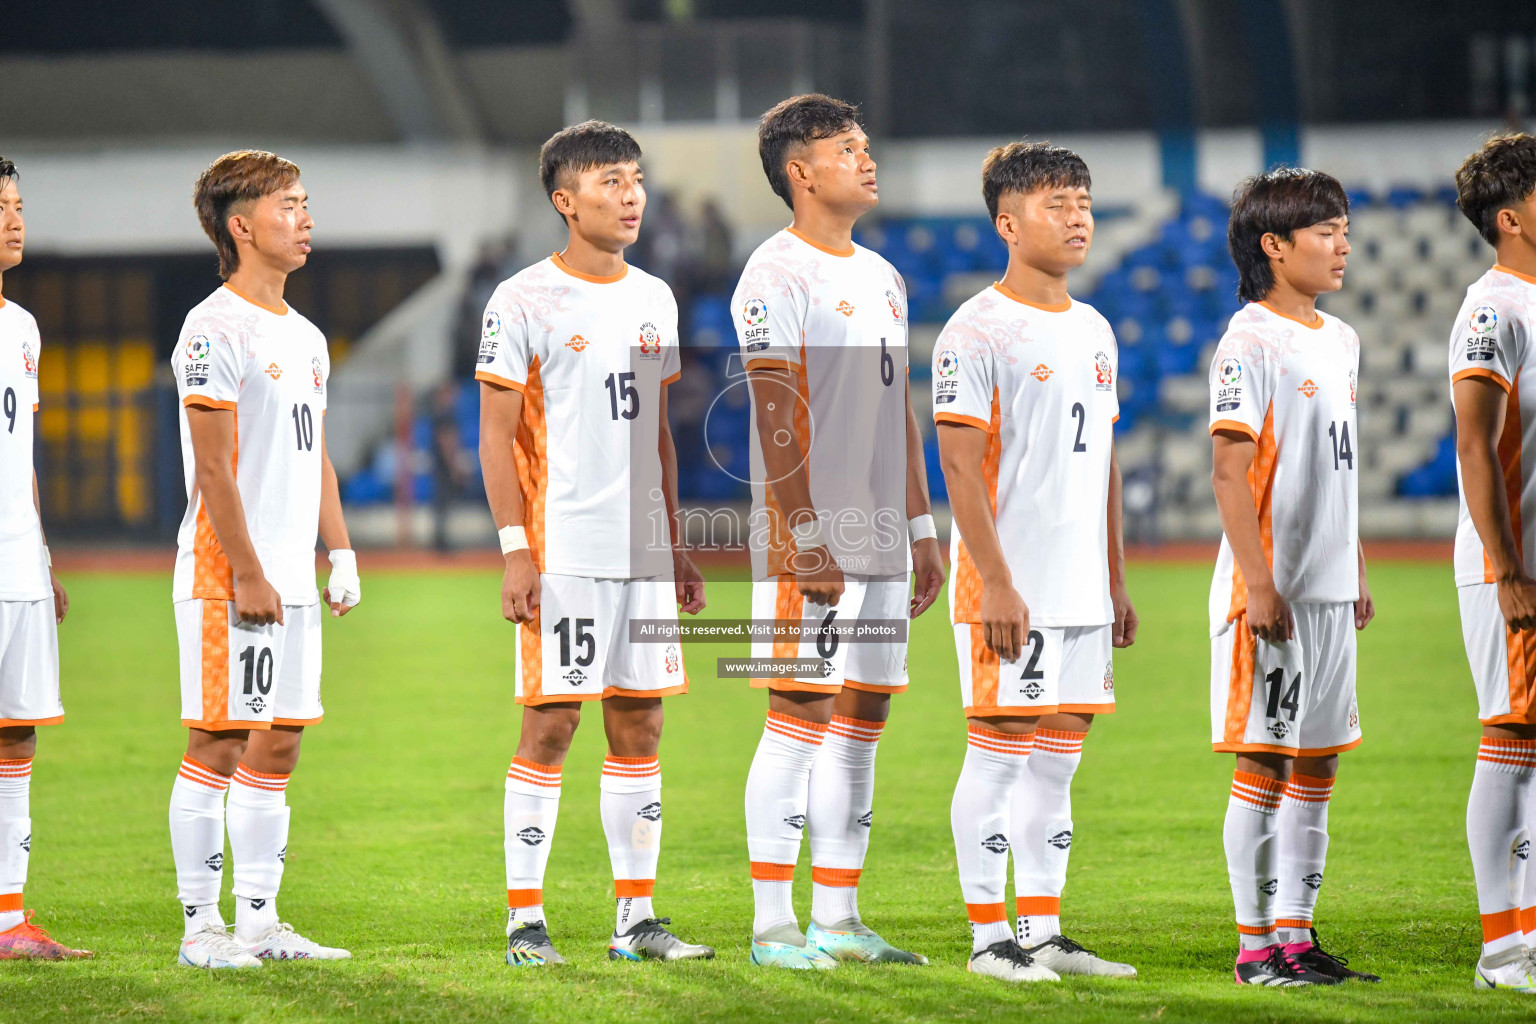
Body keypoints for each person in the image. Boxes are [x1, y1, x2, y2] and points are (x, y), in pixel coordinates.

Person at [477, 121, 711, 967]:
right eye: (610, 181)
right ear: (564, 201)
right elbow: (495, 435)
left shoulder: (655, 297)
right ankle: (525, 920)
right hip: (561, 545)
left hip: (641, 551)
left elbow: (658, 433)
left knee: (640, 724)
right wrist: (514, 550)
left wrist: (675, 542)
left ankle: (636, 920)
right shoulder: (522, 300)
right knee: (551, 725)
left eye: (637, 180)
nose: (631, 196)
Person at [732, 93, 945, 969]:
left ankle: (840, 917)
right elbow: (775, 416)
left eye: (865, 144)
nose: (866, 158)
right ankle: (772, 926)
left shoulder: (883, 276)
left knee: (862, 719)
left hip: (886, 535)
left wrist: (924, 525)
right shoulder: (773, 276)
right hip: (809, 535)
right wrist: (804, 539)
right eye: (846, 147)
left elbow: (899, 409)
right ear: (800, 171)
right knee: (799, 715)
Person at [934, 141, 1138, 983]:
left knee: (1059, 757)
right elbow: (957, 464)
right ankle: (989, 940)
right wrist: (998, 582)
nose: (1079, 215)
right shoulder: (974, 328)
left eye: (1084, 200)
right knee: (1000, 750)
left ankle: (1044, 929)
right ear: (1008, 223)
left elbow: (1106, 463)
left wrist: (1116, 578)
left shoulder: (1094, 328)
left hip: (1081, 583)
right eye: (1058, 202)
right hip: (1009, 584)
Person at [168, 150, 362, 969]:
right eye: (288, 205)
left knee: (278, 744)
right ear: (240, 225)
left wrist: (341, 549)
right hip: (228, 572)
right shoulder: (212, 327)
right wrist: (248, 570)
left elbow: (312, 454)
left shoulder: (308, 337)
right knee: (219, 741)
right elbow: (213, 466)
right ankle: (199, 928)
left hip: (291, 578)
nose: (305, 216)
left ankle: (258, 921)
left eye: (306, 202)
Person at [1207, 168, 1378, 986]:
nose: (1343, 244)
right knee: (1265, 761)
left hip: (1329, 588)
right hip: (1270, 591)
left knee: (1318, 761)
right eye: (1326, 231)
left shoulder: (1340, 340)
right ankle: (1253, 949)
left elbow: (1338, 467)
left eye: (1344, 228)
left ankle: (1298, 937)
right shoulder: (1249, 340)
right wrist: (1258, 583)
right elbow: (1229, 473)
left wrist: (1356, 566)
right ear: (1275, 246)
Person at [1448, 132, 1536, 993]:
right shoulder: (1492, 310)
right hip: (1515, 566)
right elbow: (1475, 447)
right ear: (1510, 219)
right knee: (1511, 740)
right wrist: (1506, 567)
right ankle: (1501, 950)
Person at [0, 156, 88, 961]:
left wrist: (43, 551)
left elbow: (19, 450)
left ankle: (7, 921)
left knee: (17, 734)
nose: (14, 219)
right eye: (1, 206)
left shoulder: (21, 327)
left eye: (18, 205)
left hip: (19, 563)